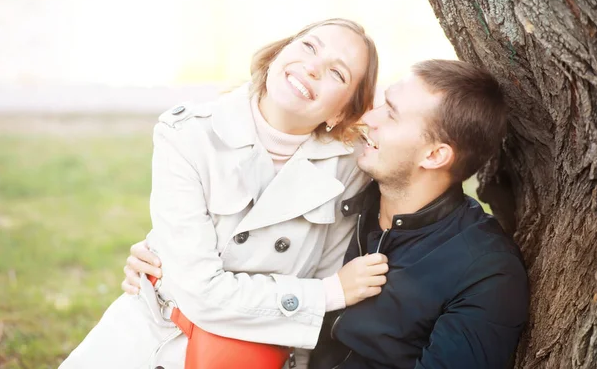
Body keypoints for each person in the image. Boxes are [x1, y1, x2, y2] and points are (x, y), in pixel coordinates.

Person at [128, 60, 530, 368]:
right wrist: (164, 256)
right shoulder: (336, 192)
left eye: (390, 113)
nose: (368, 118)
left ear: (435, 155)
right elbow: (229, 244)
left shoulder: (485, 272)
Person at [60, 18, 388, 369]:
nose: (312, 68)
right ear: (280, 52)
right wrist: (329, 293)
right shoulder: (187, 134)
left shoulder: (350, 168)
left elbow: (320, 293)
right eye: (309, 46)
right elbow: (202, 293)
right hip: (155, 337)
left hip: (257, 354)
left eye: (338, 73)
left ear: (342, 111)